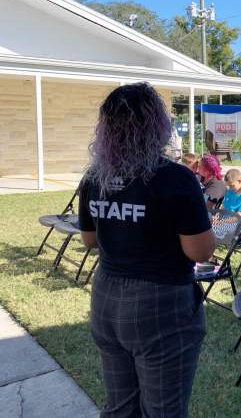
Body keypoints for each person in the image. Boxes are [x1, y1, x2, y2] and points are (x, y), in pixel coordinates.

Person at [78, 82, 215, 417]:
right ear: (158, 126)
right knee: (163, 410)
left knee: (120, 408)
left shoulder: (94, 178)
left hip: (106, 297)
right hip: (160, 301)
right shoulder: (175, 178)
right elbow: (200, 252)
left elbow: (90, 240)